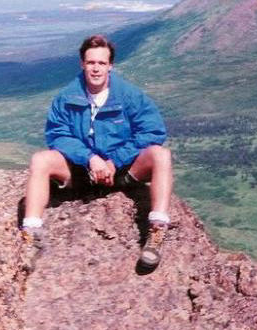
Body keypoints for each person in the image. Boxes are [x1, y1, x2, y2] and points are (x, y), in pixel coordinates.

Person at [21, 34, 174, 269]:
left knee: (161, 155)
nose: (96, 68)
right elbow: (57, 135)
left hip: (123, 171)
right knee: (40, 160)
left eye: (102, 63)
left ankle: (156, 231)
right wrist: (90, 158)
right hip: (82, 171)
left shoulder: (130, 96)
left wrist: (114, 161)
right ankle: (31, 235)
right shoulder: (66, 98)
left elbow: (153, 132)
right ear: (82, 63)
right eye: (91, 62)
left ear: (110, 65)